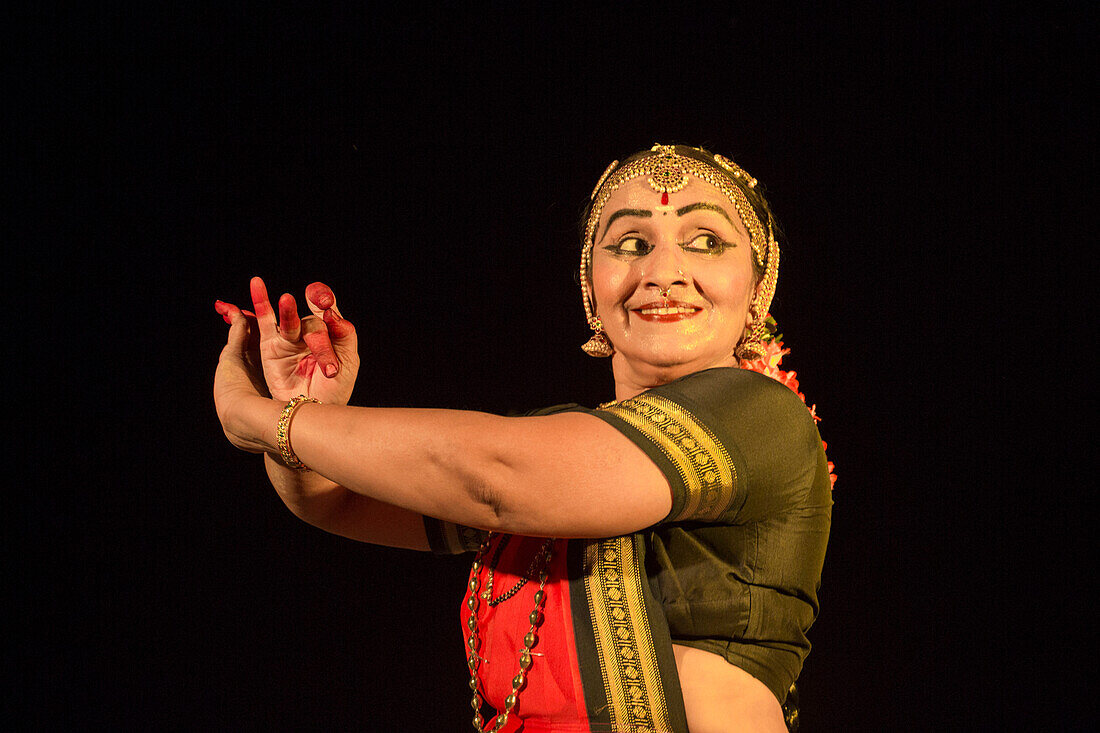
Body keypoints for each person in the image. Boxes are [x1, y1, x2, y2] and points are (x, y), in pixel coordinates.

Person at [214, 144, 832, 733]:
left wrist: (258, 417)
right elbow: (332, 499)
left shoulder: (760, 416)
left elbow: (494, 481)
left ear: (758, 286)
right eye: (630, 243)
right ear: (591, 287)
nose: (662, 272)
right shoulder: (555, 448)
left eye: (706, 242)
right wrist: (302, 413)